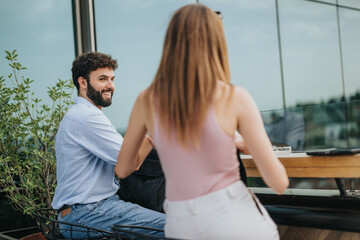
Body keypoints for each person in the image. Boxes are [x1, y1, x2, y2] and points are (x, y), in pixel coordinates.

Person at [115, 4, 289, 240]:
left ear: (172, 42)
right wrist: (243, 141)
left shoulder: (146, 100)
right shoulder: (234, 97)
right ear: (215, 41)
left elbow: (123, 169)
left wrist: (156, 137)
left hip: (181, 226)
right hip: (236, 224)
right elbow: (278, 183)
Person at [51, 52, 165, 238]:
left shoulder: (80, 113)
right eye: (102, 79)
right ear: (83, 82)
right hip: (87, 213)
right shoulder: (87, 117)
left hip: (85, 210)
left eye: (112, 79)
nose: (110, 86)